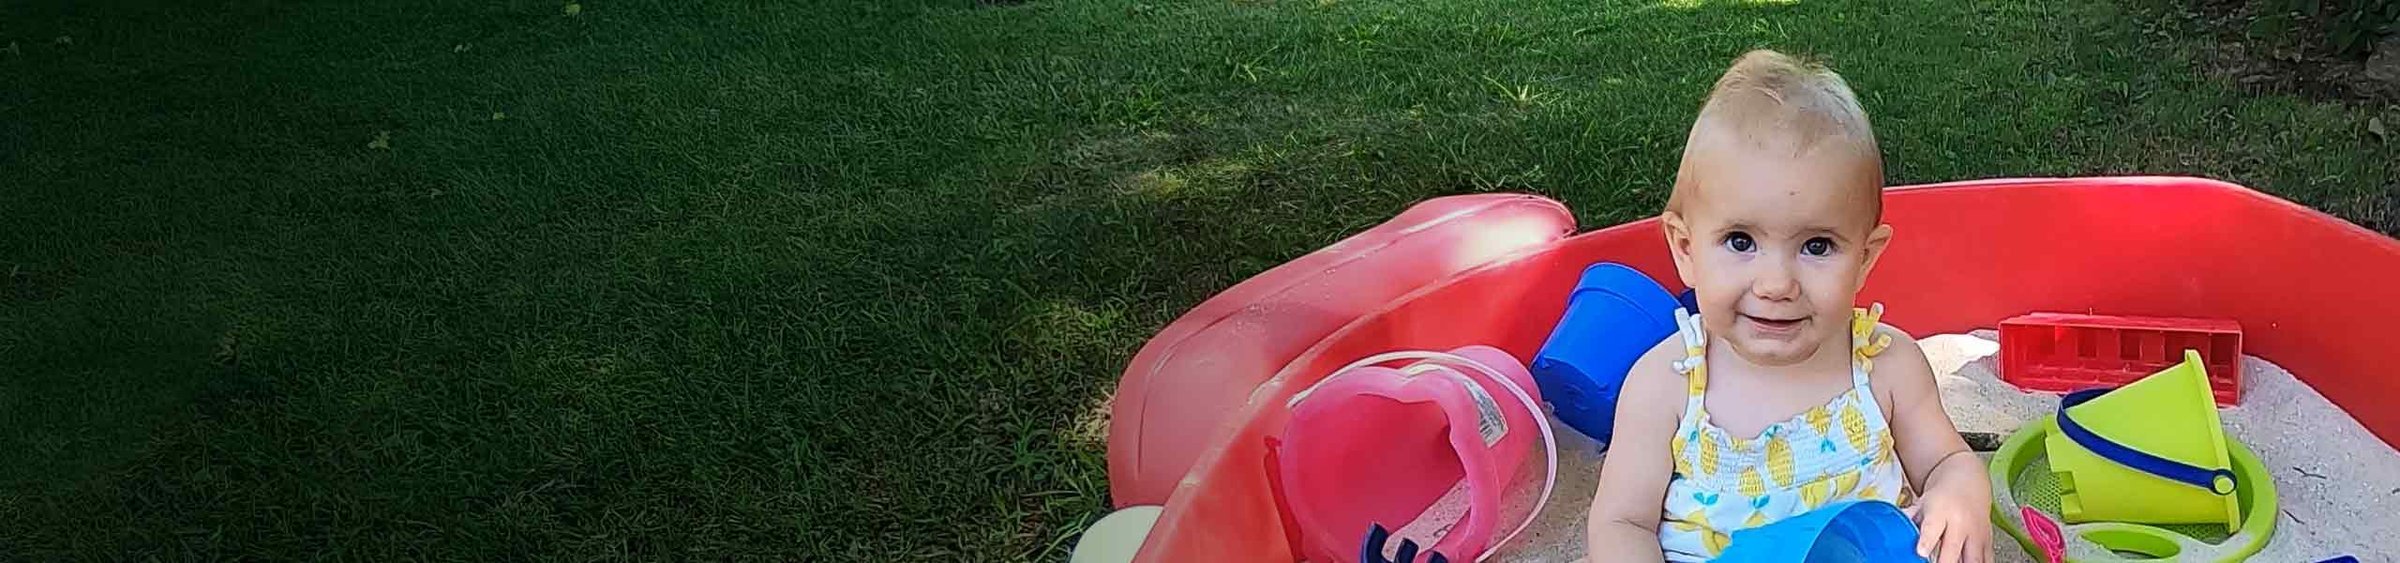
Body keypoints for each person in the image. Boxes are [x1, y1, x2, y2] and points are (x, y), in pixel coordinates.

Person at [1583, 49, 1992, 563]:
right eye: (1739, 241)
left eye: (1816, 246)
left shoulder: (1885, 364)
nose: (1776, 284)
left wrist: (1960, 493)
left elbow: (1946, 460)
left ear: (1865, 259)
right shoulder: (1666, 385)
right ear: (1685, 249)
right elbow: (1622, 522)